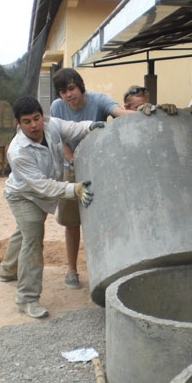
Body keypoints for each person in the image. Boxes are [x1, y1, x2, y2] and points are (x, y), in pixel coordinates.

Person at [0, 96, 103, 318]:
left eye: (36, 118)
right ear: (18, 123)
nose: (34, 125)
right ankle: (27, 298)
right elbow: (42, 185)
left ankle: (8, 270)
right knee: (33, 238)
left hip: (43, 192)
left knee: (24, 232)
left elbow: (73, 128)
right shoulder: (17, 152)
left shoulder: (51, 124)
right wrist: (73, 189)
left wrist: (91, 126)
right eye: (27, 121)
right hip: (23, 196)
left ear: (42, 116)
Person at [50, 68, 134, 290]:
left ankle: (112, 267)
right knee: (71, 221)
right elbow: (61, 139)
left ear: (79, 85)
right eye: (62, 91)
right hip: (72, 169)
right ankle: (71, 270)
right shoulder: (57, 108)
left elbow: (119, 112)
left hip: (100, 168)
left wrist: (145, 111)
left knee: (107, 217)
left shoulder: (98, 100)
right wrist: (73, 161)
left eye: (71, 88)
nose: (68, 95)